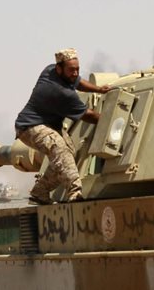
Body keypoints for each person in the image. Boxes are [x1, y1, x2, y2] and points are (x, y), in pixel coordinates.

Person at [14, 48, 110, 204]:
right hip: (30, 126)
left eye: (77, 69)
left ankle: (40, 192)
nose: (75, 73)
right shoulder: (61, 93)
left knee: (68, 155)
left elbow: (78, 81)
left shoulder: (51, 70)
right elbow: (88, 115)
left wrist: (98, 89)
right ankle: (75, 192)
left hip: (50, 125)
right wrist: (110, 120)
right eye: (71, 70)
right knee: (59, 148)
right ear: (59, 68)